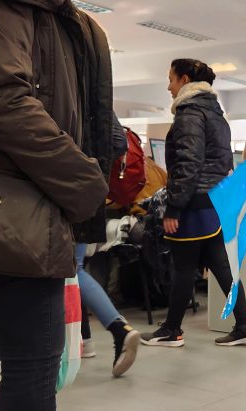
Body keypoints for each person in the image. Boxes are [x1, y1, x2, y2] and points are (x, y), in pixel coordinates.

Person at [0, 1, 110, 411]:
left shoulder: (65, 21)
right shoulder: (19, 9)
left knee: (26, 369)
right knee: (31, 369)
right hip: (20, 216)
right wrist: (85, 182)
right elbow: (2, 98)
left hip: (23, 211)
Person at [142, 59, 246, 347]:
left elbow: (188, 162)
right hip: (214, 200)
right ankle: (245, 324)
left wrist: (174, 206)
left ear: (184, 80)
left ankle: (171, 330)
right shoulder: (216, 114)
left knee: (183, 267)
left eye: (171, 79)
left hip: (193, 201)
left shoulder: (189, 113)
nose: (168, 86)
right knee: (220, 265)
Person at [78, 111, 141, 378]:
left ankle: (117, 328)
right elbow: (118, 141)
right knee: (73, 267)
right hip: (88, 190)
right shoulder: (94, 82)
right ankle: (86, 340)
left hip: (56, 188)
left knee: (69, 270)